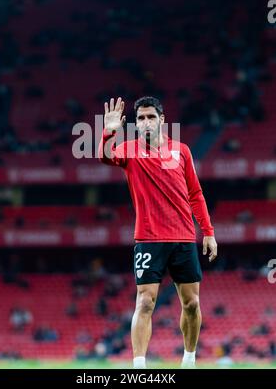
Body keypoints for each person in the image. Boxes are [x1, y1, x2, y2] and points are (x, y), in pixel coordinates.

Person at [98, 96, 217, 369]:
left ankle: (188, 360)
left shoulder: (181, 151)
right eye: (141, 118)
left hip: (184, 238)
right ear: (136, 124)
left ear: (162, 120)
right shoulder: (129, 150)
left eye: (151, 117)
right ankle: (139, 366)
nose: (146, 122)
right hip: (149, 239)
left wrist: (208, 231)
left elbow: (196, 194)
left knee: (192, 304)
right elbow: (105, 157)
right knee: (145, 301)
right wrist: (108, 132)